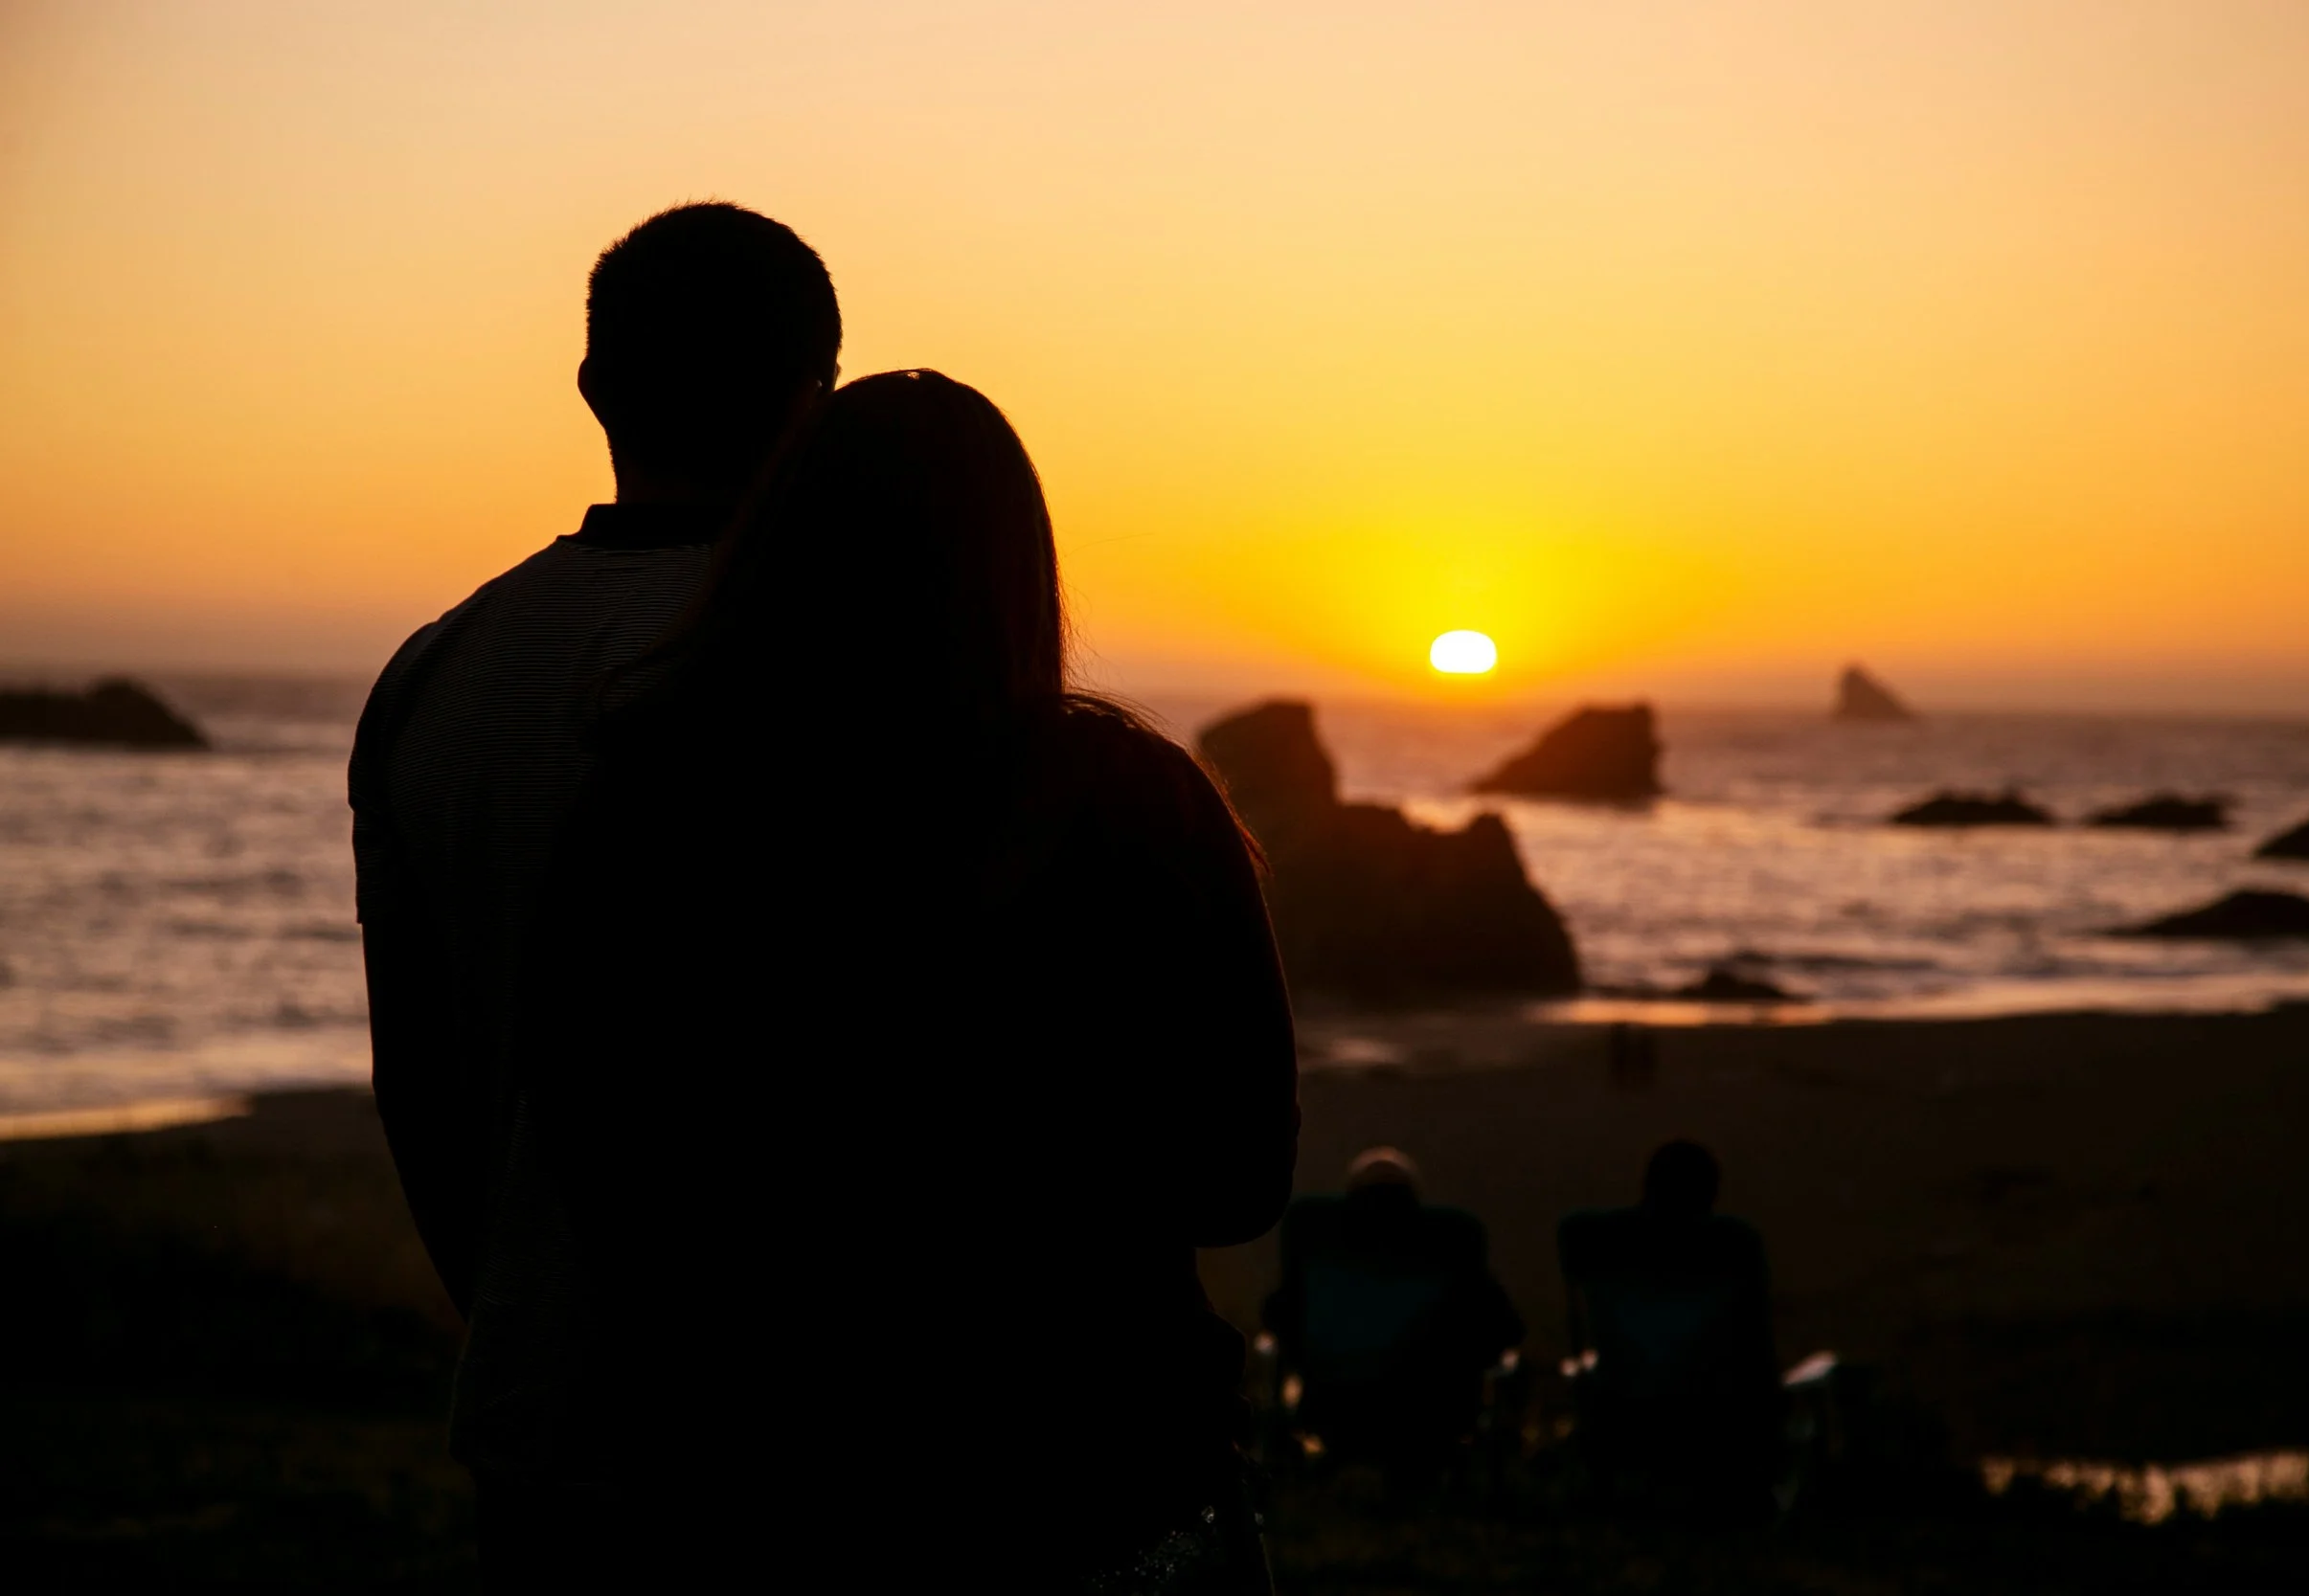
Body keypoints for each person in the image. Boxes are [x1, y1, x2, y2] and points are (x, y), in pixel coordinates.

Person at [517, 371, 1301, 1586]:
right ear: (1019, 566)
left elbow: (595, 1147)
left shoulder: (650, 802)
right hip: (1097, 1469)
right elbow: (1243, 1175)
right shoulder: (1139, 800)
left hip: (754, 1476)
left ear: (777, 540)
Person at [347, 203, 840, 1581]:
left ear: (592, 388)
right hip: (819, 1437)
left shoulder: (430, 677)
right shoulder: (834, 662)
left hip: (539, 1427)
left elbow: (420, 1081)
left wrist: (514, 1307)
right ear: (819, 404)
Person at [1261, 1148, 1524, 1480]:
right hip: (1431, 1409)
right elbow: (1506, 1330)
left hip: (1335, 1405)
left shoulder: (1319, 1243)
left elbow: (1276, 1317)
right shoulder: (1450, 1244)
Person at [1556, 1139, 1781, 1517]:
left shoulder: (1601, 1240)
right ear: (1710, 1194)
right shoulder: (1732, 1246)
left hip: (1623, 1414)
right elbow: (1756, 1347)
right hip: (1712, 1420)